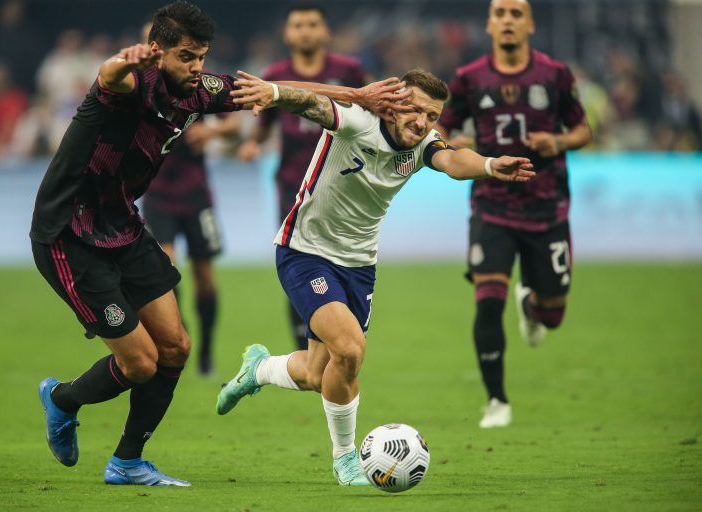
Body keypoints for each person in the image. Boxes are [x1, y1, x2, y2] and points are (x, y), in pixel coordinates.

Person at [216, 69, 535, 486]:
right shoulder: (356, 119)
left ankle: (257, 370)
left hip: (359, 266)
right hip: (304, 252)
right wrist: (274, 92)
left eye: (432, 115)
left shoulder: (422, 144)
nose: (421, 121)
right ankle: (345, 459)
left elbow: (454, 160)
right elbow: (309, 104)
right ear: (394, 103)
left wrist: (492, 166)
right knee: (349, 350)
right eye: (414, 109)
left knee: (318, 373)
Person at [30, 1, 249, 486]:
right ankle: (62, 399)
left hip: (122, 227)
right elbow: (110, 75)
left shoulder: (195, 89)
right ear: (158, 51)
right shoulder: (129, 84)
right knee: (140, 362)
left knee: (174, 347)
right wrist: (128, 60)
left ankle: (127, 462)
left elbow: (272, 93)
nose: (197, 67)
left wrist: (356, 96)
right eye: (187, 57)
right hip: (68, 235)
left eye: (201, 57)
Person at [438, 0, 592, 429]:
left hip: (548, 208)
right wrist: (446, 143)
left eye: (515, 13)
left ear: (529, 23)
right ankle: (497, 400)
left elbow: (583, 129)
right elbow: (441, 126)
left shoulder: (555, 75)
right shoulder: (469, 79)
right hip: (492, 205)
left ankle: (534, 303)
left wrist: (558, 143)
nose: (507, 20)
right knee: (487, 304)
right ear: (489, 24)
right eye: (499, 13)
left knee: (554, 314)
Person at [238, 4, 368, 351]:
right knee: (299, 264)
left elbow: (369, 117)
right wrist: (252, 144)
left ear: (326, 32)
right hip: (295, 189)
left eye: (312, 24)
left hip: (344, 190)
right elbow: (264, 126)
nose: (306, 31)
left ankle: (335, 341)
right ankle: (304, 350)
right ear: (288, 33)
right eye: (298, 25)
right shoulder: (276, 74)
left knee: (340, 264)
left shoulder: (349, 70)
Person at [139, 20, 241, 377]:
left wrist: (210, 131)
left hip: (197, 196)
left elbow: (235, 123)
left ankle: (207, 353)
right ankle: (178, 342)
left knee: (205, 277)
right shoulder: (140, 87)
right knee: (168, 271)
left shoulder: (194, 82)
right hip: (158, 196)